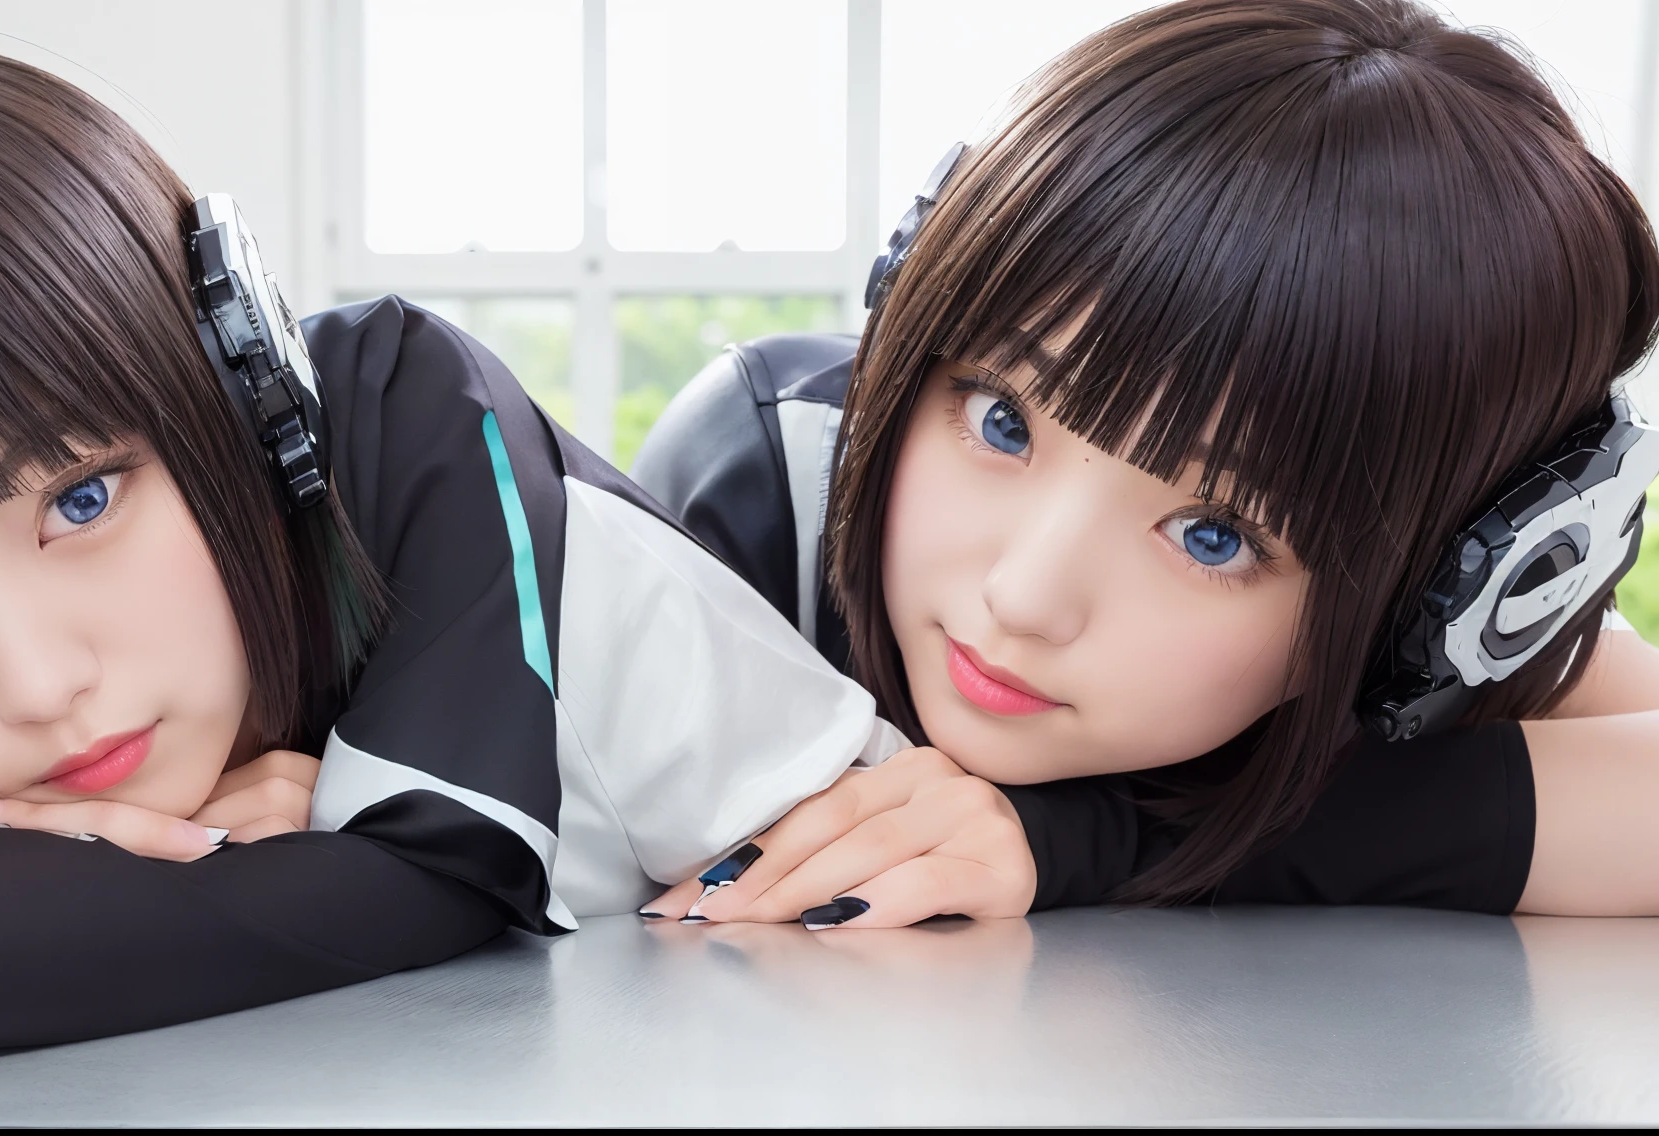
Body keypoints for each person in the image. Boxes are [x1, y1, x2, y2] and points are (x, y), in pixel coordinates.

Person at [0, 43, 907, 1078]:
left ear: (242, 391)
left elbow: (449, 870)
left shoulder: (428, 454)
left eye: (80, 499)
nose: (38, 685)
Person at [632, 0, 1659, 930]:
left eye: (1213, 532)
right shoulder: (769, 474)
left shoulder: (1427, 647)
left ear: (1430, 611)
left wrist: (1089, 834)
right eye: (1001, 420)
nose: (1024, 596)